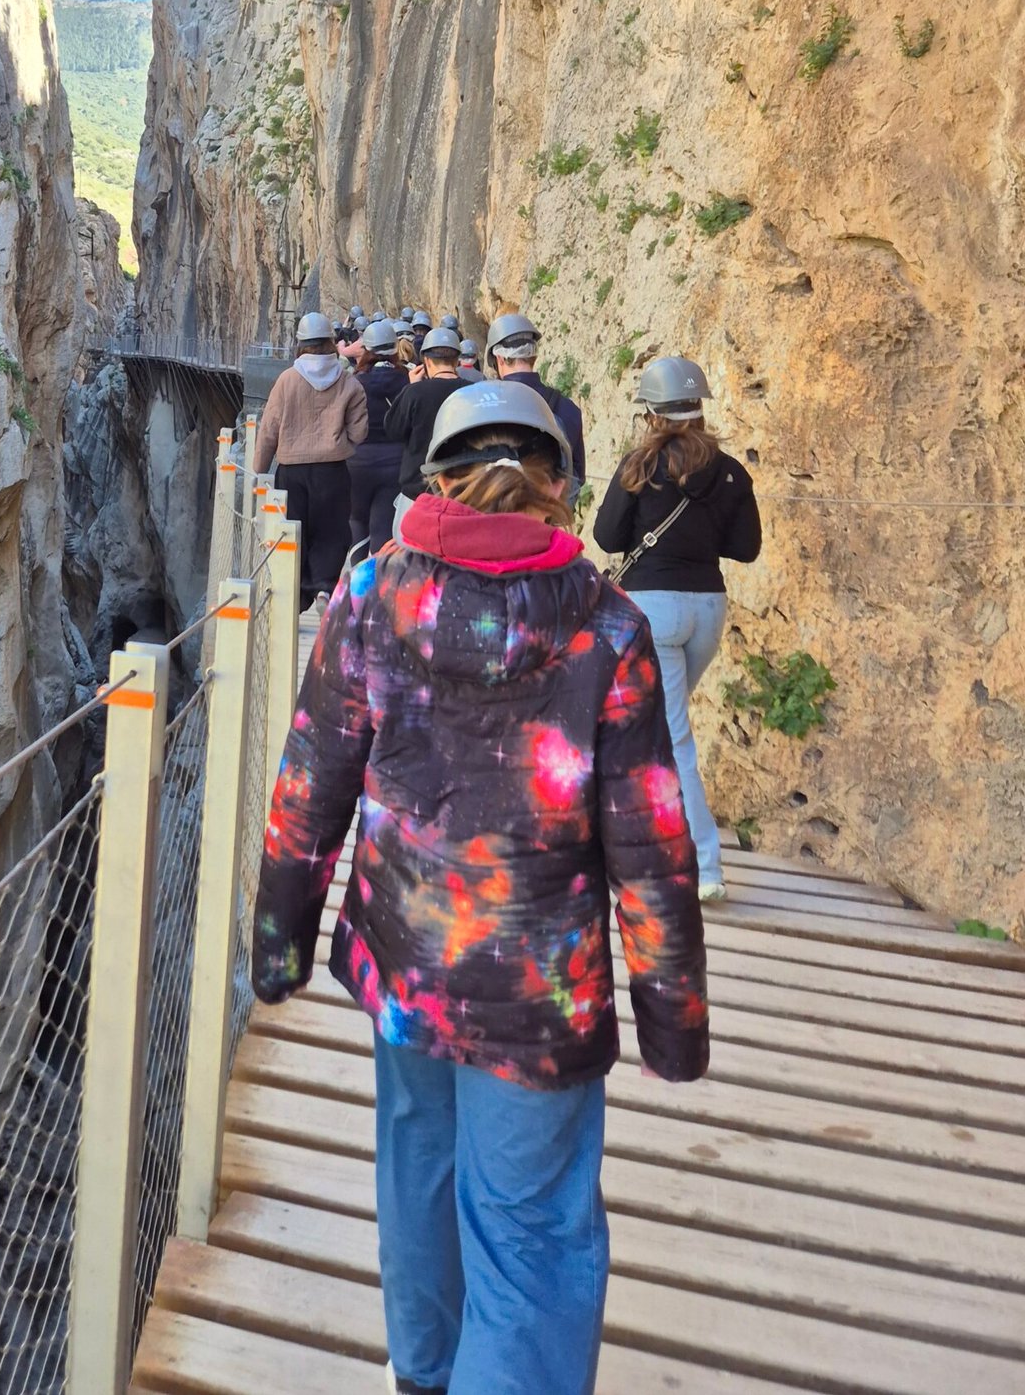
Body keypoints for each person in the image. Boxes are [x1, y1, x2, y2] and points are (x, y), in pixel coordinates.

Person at [253, 381, 709, 1395]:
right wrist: (672, 1022)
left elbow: (308, 787)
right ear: (560, 490)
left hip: (406, 962)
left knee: (419, 1167)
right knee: (530, 1231)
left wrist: (279, 948)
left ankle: (422, 1374)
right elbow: (651, 849)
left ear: (435, 480)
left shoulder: (370, 597)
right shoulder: (608, 627)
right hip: (538, 995)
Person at [593, 357, 762, 904]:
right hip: (707, 608)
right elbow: (746, 548)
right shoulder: (730, 472)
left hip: (653, 609)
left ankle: (703, 864)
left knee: (670, 735)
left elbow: (607, 536)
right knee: (658, 729)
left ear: (651, 413)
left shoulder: (640, 466)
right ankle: (639, 837)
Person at [254, 311, 369, 609]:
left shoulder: (286, 380)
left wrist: (259, 470)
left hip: (291, 470)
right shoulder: (348, 382)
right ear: (331, 342)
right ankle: (323, 589)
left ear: (301, 344)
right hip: (333, 470)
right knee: (331, 532)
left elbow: (269, 429)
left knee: (295, 531)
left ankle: (297, 594)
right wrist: (340, 444)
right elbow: (359, 431)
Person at [487, 312, 586, 487]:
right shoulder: (569, 409)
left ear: (499, 359)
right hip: (554, 502)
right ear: (533, 356)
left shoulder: (488, 408)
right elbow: (577, 476)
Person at [385, 328, 468, 523]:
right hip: (463, 489)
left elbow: (393, 430)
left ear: (427, 361)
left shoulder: (415, 393)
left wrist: (411, 386)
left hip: (418, 489)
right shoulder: (473, 390)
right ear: (457, 360)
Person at [349, 320, 409, 556]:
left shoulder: (355, 382)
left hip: (358, 460)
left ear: (366, 350)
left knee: (356, 521)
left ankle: (358, 574)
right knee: (383, 526)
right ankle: (379, 574)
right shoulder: (407, 381)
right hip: (395, 462)